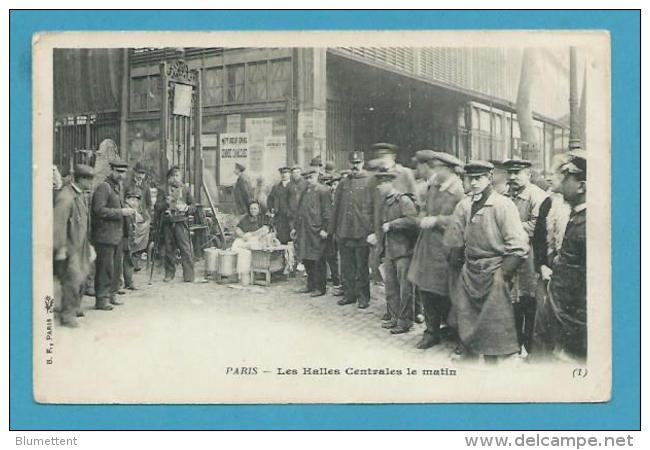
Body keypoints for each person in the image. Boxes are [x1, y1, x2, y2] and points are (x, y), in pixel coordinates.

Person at [444, 161, 529, 360]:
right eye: (470, 178)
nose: (473, 182)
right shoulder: (464, 205)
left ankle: (494, 373)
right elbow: (455, 239)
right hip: (470, 271)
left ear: (489, 178)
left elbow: (518, 246)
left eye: (478, 178)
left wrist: (503, 274)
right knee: (466, 323)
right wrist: (456, 265)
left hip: (494, 271)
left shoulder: (502, 205)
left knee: (493, 333)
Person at [408, 151, 465, 348]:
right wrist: (423, 215)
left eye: (439, 168)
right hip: (428, 247)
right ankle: (431, 331)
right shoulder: (433, 186)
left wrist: (436, 220)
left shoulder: (459, 190)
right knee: (427, 290)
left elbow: (461, 219)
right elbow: (425, 207)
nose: (435, 171)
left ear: (449, 170)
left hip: (447, 248)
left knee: (450, 292)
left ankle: (456, 332)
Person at [541, 152, 587, 361]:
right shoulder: (578, 216)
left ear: (581, 186)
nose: (560, 181)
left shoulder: (587, 222)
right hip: (565, 314)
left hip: (574, 320)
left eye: (566, 177)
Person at [503, 159, 549, 355]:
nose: (512, 177)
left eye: (517, 173)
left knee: (528, 299)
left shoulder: (537, 196)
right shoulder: (505, 195)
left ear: (528, 175)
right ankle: (514, 343)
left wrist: (510, 226)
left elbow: (536, 227)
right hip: (509, 253)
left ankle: (529, 346)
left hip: (529, 254)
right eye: (510, 173)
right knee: (511, 299)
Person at [531, 154, 572, 358]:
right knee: (542, 318)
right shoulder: (548, 202)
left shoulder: (576, 205)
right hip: (547, 271)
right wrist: (541, 266)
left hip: (568, 273)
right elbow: (538, 238)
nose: (551, 178)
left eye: (556, 174)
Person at [374, 169, 419, 334]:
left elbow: (414, 221)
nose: (378, 186)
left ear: (389, 183)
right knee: (391, 288)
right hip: (390, 251)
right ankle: (393, 317)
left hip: (403, 251)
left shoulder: (403, 200)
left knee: (405, 289)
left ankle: (405, 321)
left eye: (381, 183)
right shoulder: (385, 202)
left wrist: (393, 224)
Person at [328, 151, 375, 309]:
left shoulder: (370, 181)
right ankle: (349, 294)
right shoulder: (343, 182)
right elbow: (336, 208)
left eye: (358, 163)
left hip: (361, 231)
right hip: (344, 231)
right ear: (349, 164)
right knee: (346, 266)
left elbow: (374, 207)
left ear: (363, 163)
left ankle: (363, 297)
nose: (355, 166)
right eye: (353, 163)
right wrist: (333, 230)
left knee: (361, 267)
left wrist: (372, 230)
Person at [53, 164, 96, 327]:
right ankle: (67, 315)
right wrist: (61, 247)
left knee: (83, 275)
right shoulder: (66, 196)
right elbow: (59, 223)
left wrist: (88, 245)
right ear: (80, 179)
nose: (91, 183)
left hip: (81, 244)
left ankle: (75, 307)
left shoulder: (79, 195)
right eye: (88, 179)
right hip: (70, 247)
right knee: (72, 279)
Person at [91, 159, 135, 310]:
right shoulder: (104, 187)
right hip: (105, 235)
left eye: (124, 172)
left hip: (117, 235)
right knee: (104, 268)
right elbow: (99, 210)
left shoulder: (118, 187)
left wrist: (126, 208)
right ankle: (101, 299)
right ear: (112, 170)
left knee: (115, 268)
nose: (121, 175)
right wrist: (121, 212)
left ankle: (111, 295)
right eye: (119, 172)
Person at [293, 169, 332, 297]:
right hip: (305, 230)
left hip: (317, 230)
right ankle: (310, 285)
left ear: (317, 177)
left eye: (312, 177)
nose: (310, 180)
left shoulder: (323, 191)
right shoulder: (305, 191)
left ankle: (320, 287)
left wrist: (325, 229)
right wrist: (295, 228)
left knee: (318, 259)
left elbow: (327, 212)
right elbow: (299, 211)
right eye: (307, 178)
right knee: (306, 258)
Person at [155, 166, 195, 283]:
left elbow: (194, 206)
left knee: (186, 249)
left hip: (181, 222)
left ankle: (188, 275)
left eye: (178, 176)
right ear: (169, 177)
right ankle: (169, 274)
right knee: (169, 249)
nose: (176, 178)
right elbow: (157, 207)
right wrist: (165, 204)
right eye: (174, 176)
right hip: (168, 223)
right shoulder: (162, 189)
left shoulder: (185, 189)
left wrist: (187, 208)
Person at [322, 173, 341, 288]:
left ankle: (342, 281)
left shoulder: (343, 196)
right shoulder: (328, 197)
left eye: (335, 184)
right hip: (331, 230)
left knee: (342, 257)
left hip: (341, 231)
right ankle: (335, 280)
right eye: (332, 185)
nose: (334, 187)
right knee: (331, 255)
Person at [121, 189, 141, 290]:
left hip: (129, 239)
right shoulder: (126, 211)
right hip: (123, 239)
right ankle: (119, 284)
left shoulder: (132, 212)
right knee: (121, 261)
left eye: (137, 201)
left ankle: (129, 282)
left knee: (128, 260)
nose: (135, 203)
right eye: (132, 200)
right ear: (126, 200)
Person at [267, 167, 292, 244]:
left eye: (286, 173)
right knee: (281, 236)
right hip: (280, 216)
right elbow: (270, 199)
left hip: (291, 216)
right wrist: (272, 209)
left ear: (290, 174)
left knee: (292, 236)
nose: (284, 175)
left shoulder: (294, 186)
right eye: (282, 173)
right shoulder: (276, 187)